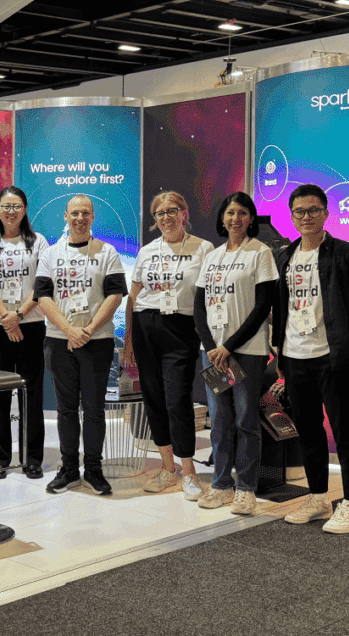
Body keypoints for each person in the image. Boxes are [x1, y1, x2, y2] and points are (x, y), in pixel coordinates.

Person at [272, 184, 349, 533]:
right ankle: (318, 495)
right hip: (294, 356)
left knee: (344, 429)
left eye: (313, 210)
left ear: (326, 213)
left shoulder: (347, 254)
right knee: (309, 430)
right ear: (292, 216)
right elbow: (278, 306)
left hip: (331, 357)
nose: (306, 216)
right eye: (300, 211)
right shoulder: (285, 257)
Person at [123, 191, 213, 499]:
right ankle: (167, 468)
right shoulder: (147, 251)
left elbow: (210, 297)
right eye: (160, 213)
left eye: (172, 210)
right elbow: (132, 298)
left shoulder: (203, 248)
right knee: (153, 399)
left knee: (177, 400)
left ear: (184, 212)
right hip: (146, 328)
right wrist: (128, 344)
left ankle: (189, 472)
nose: (166, 217)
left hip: (182, 328)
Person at [35, 195, 128, 495]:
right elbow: (43, 297)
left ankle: (94, 470)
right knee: (65, 410)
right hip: (60, 341)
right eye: (74, 213)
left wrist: (87, 329)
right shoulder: (50, 254)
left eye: (85, 213)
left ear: (92, 217)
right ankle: (69, 469)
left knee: (94, 409)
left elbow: (115, 295)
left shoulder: (108, 252)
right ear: (65, 216)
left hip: (96, 340)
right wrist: (69, 330)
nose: (79, 218)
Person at [193, 192, 278, 515]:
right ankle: (220, 485)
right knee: (220, 420)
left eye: (242, 213)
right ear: (222, 217)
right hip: (212, 353)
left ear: (251, 218)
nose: (235, 219)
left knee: (245, 420)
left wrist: (229, 346)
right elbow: (199, 304)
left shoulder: (261, 253)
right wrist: (211, 345)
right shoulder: (212, 257)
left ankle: (246, 488)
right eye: (230, 212)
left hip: (247, 351)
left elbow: (262, 307)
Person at [0, 186, 50, 479]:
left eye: (16, 206)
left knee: (32, 393)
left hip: (31, 325)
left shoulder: (38, 242)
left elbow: (43, 285)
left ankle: (32, 459)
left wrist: (18, 315)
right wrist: (6, 318)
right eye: (6, 206)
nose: (11, 211)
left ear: (25, 209)